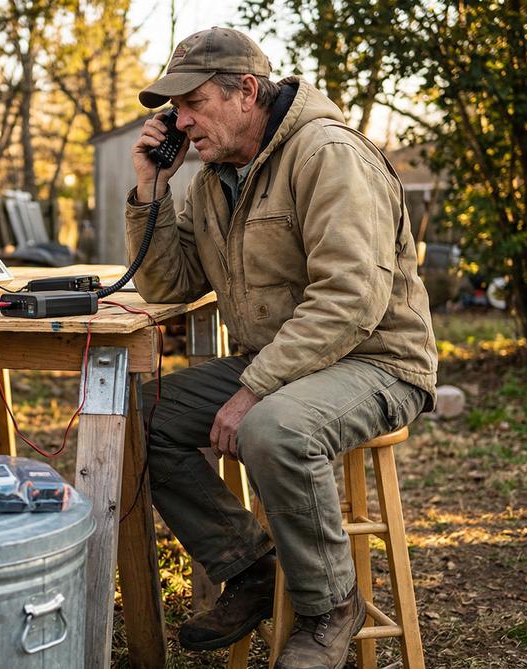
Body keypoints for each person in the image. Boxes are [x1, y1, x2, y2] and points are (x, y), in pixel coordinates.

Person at [125, 27, 438, 669]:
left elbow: (350, 299)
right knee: (137, 417)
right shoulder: (214, 179)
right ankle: (251, 569)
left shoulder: (328, 154)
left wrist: (253, 389)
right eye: (175, 110)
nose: (180, 122)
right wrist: (151, 189)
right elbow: (167, 284)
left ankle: (330, 610)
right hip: (284, 364)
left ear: (246, 91)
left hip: (377, 359)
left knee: (271, 429)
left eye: (193, 104)